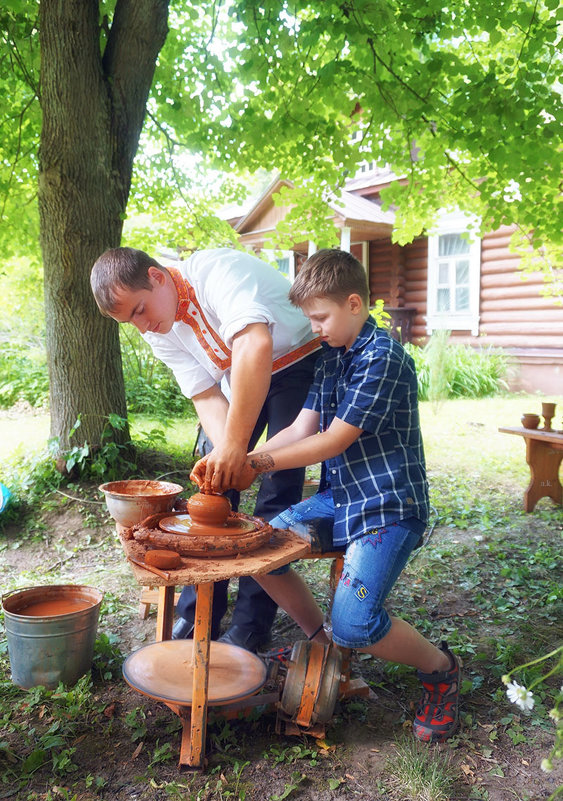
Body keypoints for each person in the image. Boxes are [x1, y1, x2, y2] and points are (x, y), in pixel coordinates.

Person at [192, 248, 461, 742]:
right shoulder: (333, 359)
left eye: (320, 317)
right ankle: (323, 643)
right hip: (342, 497)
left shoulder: (385, 358)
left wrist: (255, 463)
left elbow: (334, 440)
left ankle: (441, 670)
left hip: (388, 505)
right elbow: (301, 426)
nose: (314, 327)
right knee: (257, 550)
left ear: (354, 303)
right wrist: (235, 459)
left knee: (359, 624)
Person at [90, 246, 320, 651]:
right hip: (242, 377)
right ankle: (199, 610)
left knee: (276, 492)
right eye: (130, 321)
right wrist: (224, 453)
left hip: (298, 362)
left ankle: (251, 623)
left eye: (140, 310)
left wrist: (237, 446)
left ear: (158, 277)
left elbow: (255, 345)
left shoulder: (217, 271)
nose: (142, 327)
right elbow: (205, 395)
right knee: (213, 488)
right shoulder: (159, 330)